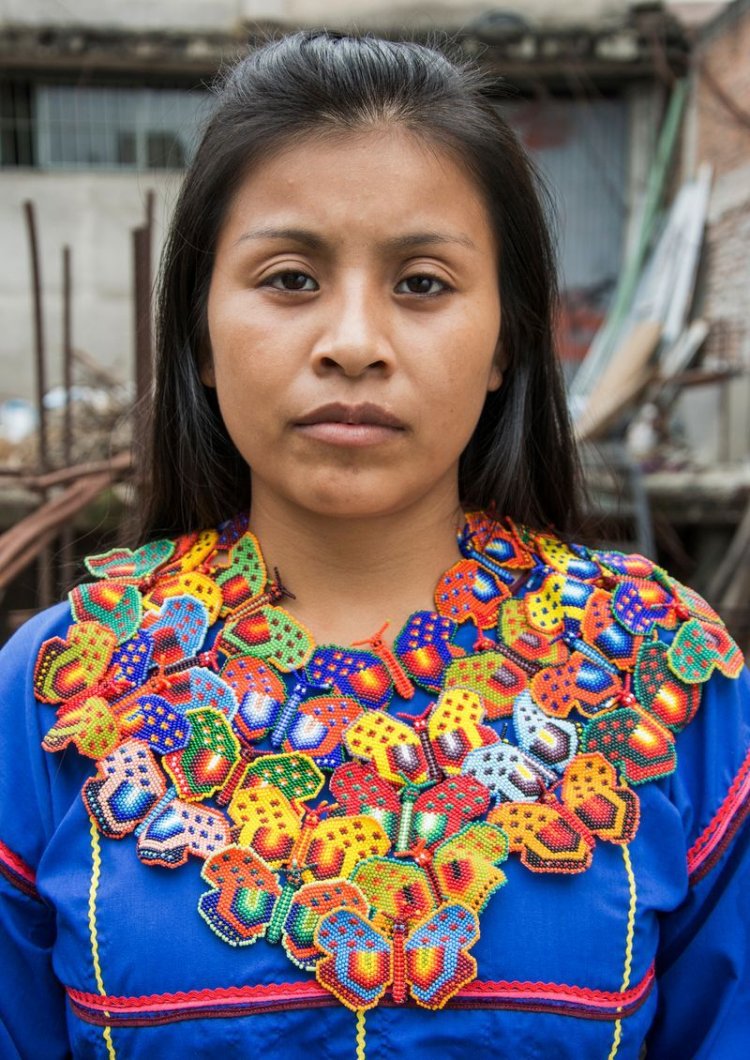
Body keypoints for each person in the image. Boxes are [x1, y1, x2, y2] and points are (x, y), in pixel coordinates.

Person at [1, 31, 748, 1060]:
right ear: (201, 337)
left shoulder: (657, 670)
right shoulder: (56, 691)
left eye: (424, 283)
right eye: (291, 278)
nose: (353, 339)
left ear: (506, 343)